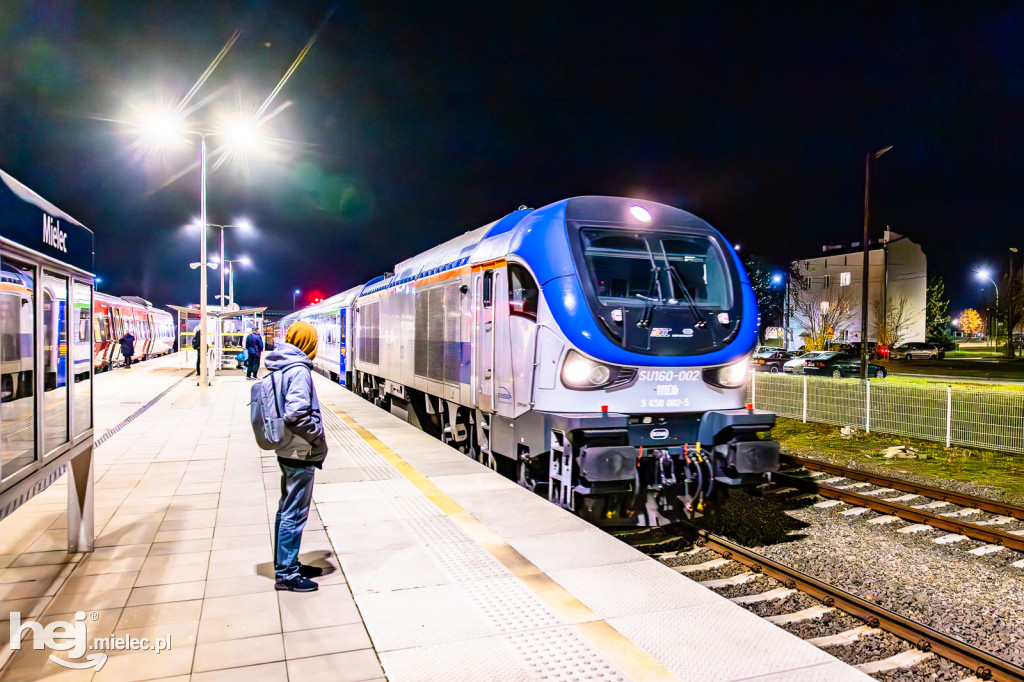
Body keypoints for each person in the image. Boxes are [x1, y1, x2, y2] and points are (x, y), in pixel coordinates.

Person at [264, 321, 328, 592]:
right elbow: (296, 413)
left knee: (286, 508)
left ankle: (287, 563)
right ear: (308, 342)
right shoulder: (299, 370)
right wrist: (317, 437)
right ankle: (287, 574)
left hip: (287, 447)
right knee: (295, 511)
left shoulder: (282, 364)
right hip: (301, 449)